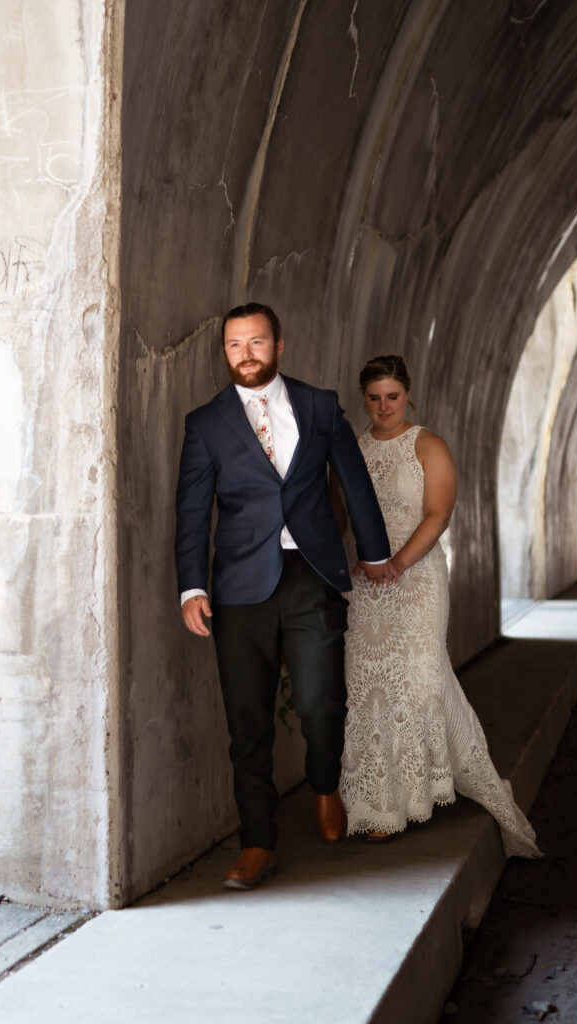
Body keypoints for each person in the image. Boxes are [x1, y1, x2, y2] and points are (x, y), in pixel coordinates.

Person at [175, 303, 393, 890]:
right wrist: (192, 585)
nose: (245, 354)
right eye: (234, 345)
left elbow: (354, 481)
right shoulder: (206, 423)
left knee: (322, 701)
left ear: (279, 343)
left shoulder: (320, 405)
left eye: (256, 342)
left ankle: (325, 786)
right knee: (247, 722)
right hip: (239, 586)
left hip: (311, 571)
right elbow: (193, 511)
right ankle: (257, 843)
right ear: (225, 352)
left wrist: (374, 554)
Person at [337, 354, 541, 858]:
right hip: (369, 584)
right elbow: (337, 513)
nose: (384, 407)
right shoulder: (354, 449)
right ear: (363, 399)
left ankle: (416, 795)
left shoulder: (429, 446)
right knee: (369, 686)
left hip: (418, 578)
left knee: (419, 679)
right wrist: (343, 569)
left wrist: (396, 563)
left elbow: (438, 514)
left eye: (393, 397)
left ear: (408, 395)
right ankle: (378, 803)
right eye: (374, 398)